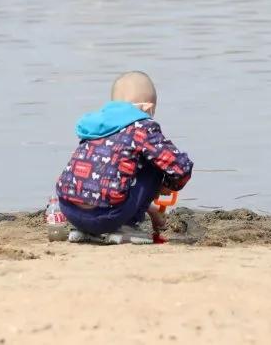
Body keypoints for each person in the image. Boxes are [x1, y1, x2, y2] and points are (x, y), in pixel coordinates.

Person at [56, 71, 193, 244]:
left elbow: (104, 181)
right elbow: (181, 167)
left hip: (70, 211)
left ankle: (84, 231)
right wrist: (167, 185)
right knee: (156, 162)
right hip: (109, 216)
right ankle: (128, 226)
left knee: (102, 162)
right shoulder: (142, 126)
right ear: (148, 108)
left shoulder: (95, 125)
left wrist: (149, 209)